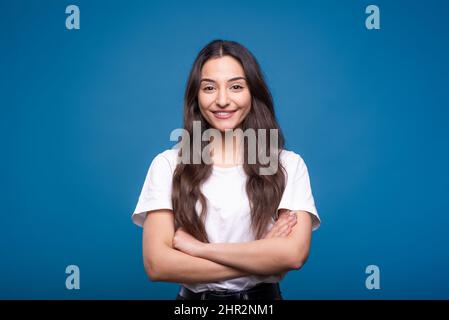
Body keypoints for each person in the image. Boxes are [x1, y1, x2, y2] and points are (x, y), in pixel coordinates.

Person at [131, 39, 321, 300]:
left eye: (236, 87)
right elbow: (157, 264)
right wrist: (262, 254)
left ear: (253, 92)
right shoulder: (167, 165)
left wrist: (198, 249)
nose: (222, 100)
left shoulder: (288, 165)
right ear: (196, 96)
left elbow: (293, 255)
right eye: (209, 87)